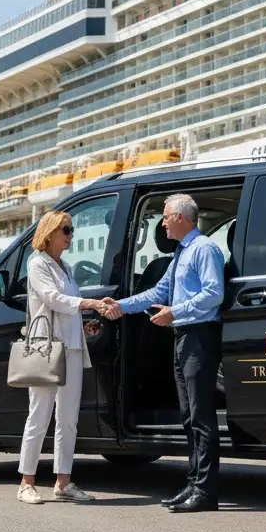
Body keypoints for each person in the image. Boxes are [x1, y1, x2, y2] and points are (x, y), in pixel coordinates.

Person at [102, 194, 225, 513]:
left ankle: (206, 491)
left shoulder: (204, 249)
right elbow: (159, 292)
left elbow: (214, 294)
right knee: (188, 416)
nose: (163, 223)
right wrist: (120, 306)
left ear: (181, 218)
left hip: (199, 335)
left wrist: (175, 312)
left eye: (167, 216)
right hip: (183, 337)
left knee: (201, 416)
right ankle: (194, 483)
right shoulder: (182, 253)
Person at [17, 210, 111, 505]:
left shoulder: (66, 267)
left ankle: (63, 482)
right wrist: (89, 302)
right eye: (66, 230)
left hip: (72, 348)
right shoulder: (37, 264)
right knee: (39, 416)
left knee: (68, 419)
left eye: (71, 230)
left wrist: (84, 325)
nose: (71, 235)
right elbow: (53, 299)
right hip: (48, 349)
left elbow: (65, 309)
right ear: (49, 233)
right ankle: (26, 483)